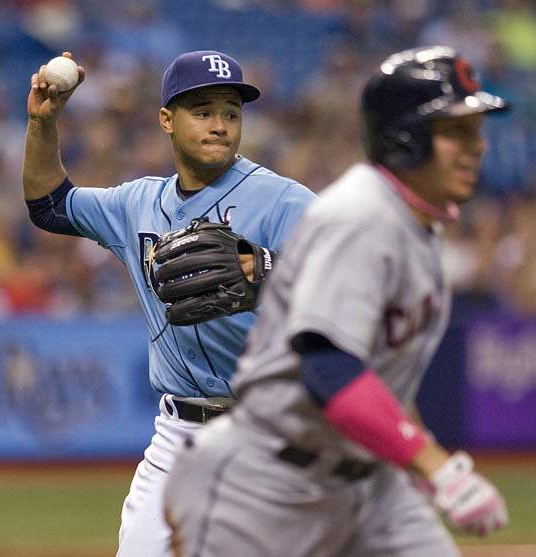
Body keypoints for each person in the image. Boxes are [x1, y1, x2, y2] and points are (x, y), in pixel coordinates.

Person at [164, 46, 510, 557]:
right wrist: (435, 464)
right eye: (456, 131)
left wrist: (408, 452)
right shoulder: (361, 217)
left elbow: (382, 377)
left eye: (476, 130)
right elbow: (329, 368)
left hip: (369, 485)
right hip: (267, 488)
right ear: (405, 139)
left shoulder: (418, 225)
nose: (477, 147)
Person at [22, 50, 316, 557]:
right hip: (178, 435)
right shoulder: (137, 202)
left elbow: (349, 282)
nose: (220, 125)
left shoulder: (285, 200)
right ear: (166, 120)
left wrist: (268, 266)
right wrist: (42, 124)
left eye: (231, 112)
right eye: (203, 112)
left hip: (273, 430)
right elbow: (49, 205)